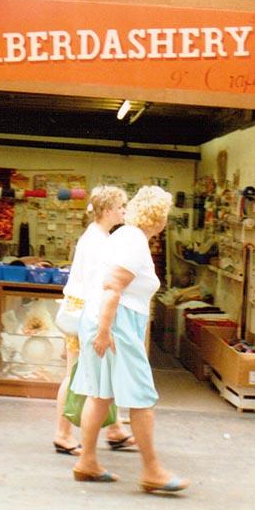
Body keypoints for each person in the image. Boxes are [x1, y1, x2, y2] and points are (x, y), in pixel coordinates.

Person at [70, 185, 189, 493]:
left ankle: (87, 461)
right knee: (141, 396)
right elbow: (113, 286)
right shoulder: (135, 241)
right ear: (159, 218)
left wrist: (100, 329)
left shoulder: (123, 235)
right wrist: (105, 332)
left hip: (105, 321)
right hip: (116, 324)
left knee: (100, 394)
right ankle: (152, 469)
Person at [53, 185, 135, 456]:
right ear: (108, 210)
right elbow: (99, 284)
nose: (124, 210)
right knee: (76, 373)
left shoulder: (97, 237)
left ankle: (115, 429)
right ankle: (63, 433)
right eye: (121, 206)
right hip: (84, 312)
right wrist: (103, 322)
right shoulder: (99, 242)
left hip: (80, 309)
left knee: (97, 372)